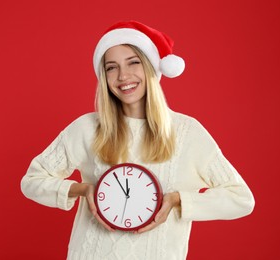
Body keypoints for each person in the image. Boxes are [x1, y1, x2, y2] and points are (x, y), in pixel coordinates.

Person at [21, 20, 255, 260]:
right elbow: (31, 181)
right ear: (104, 76)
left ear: (152, 67)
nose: (123, 75)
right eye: (111, 67)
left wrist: (178, 200)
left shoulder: (187, 133)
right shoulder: (87, 128)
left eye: (133, 62)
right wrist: (82, 189)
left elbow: (241, 199)